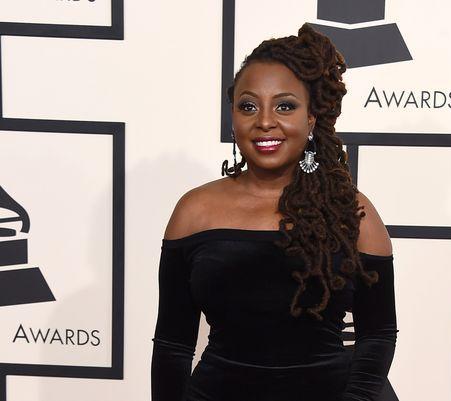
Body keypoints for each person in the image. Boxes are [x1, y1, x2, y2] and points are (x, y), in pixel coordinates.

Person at [151, 23, 398, 401]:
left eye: (285, 105)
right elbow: (173, 344)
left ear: (311, 118)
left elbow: (377, 334)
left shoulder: (353, 212)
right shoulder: (194, 211)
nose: (265, 121)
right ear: (232, 117)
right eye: (248, 106)